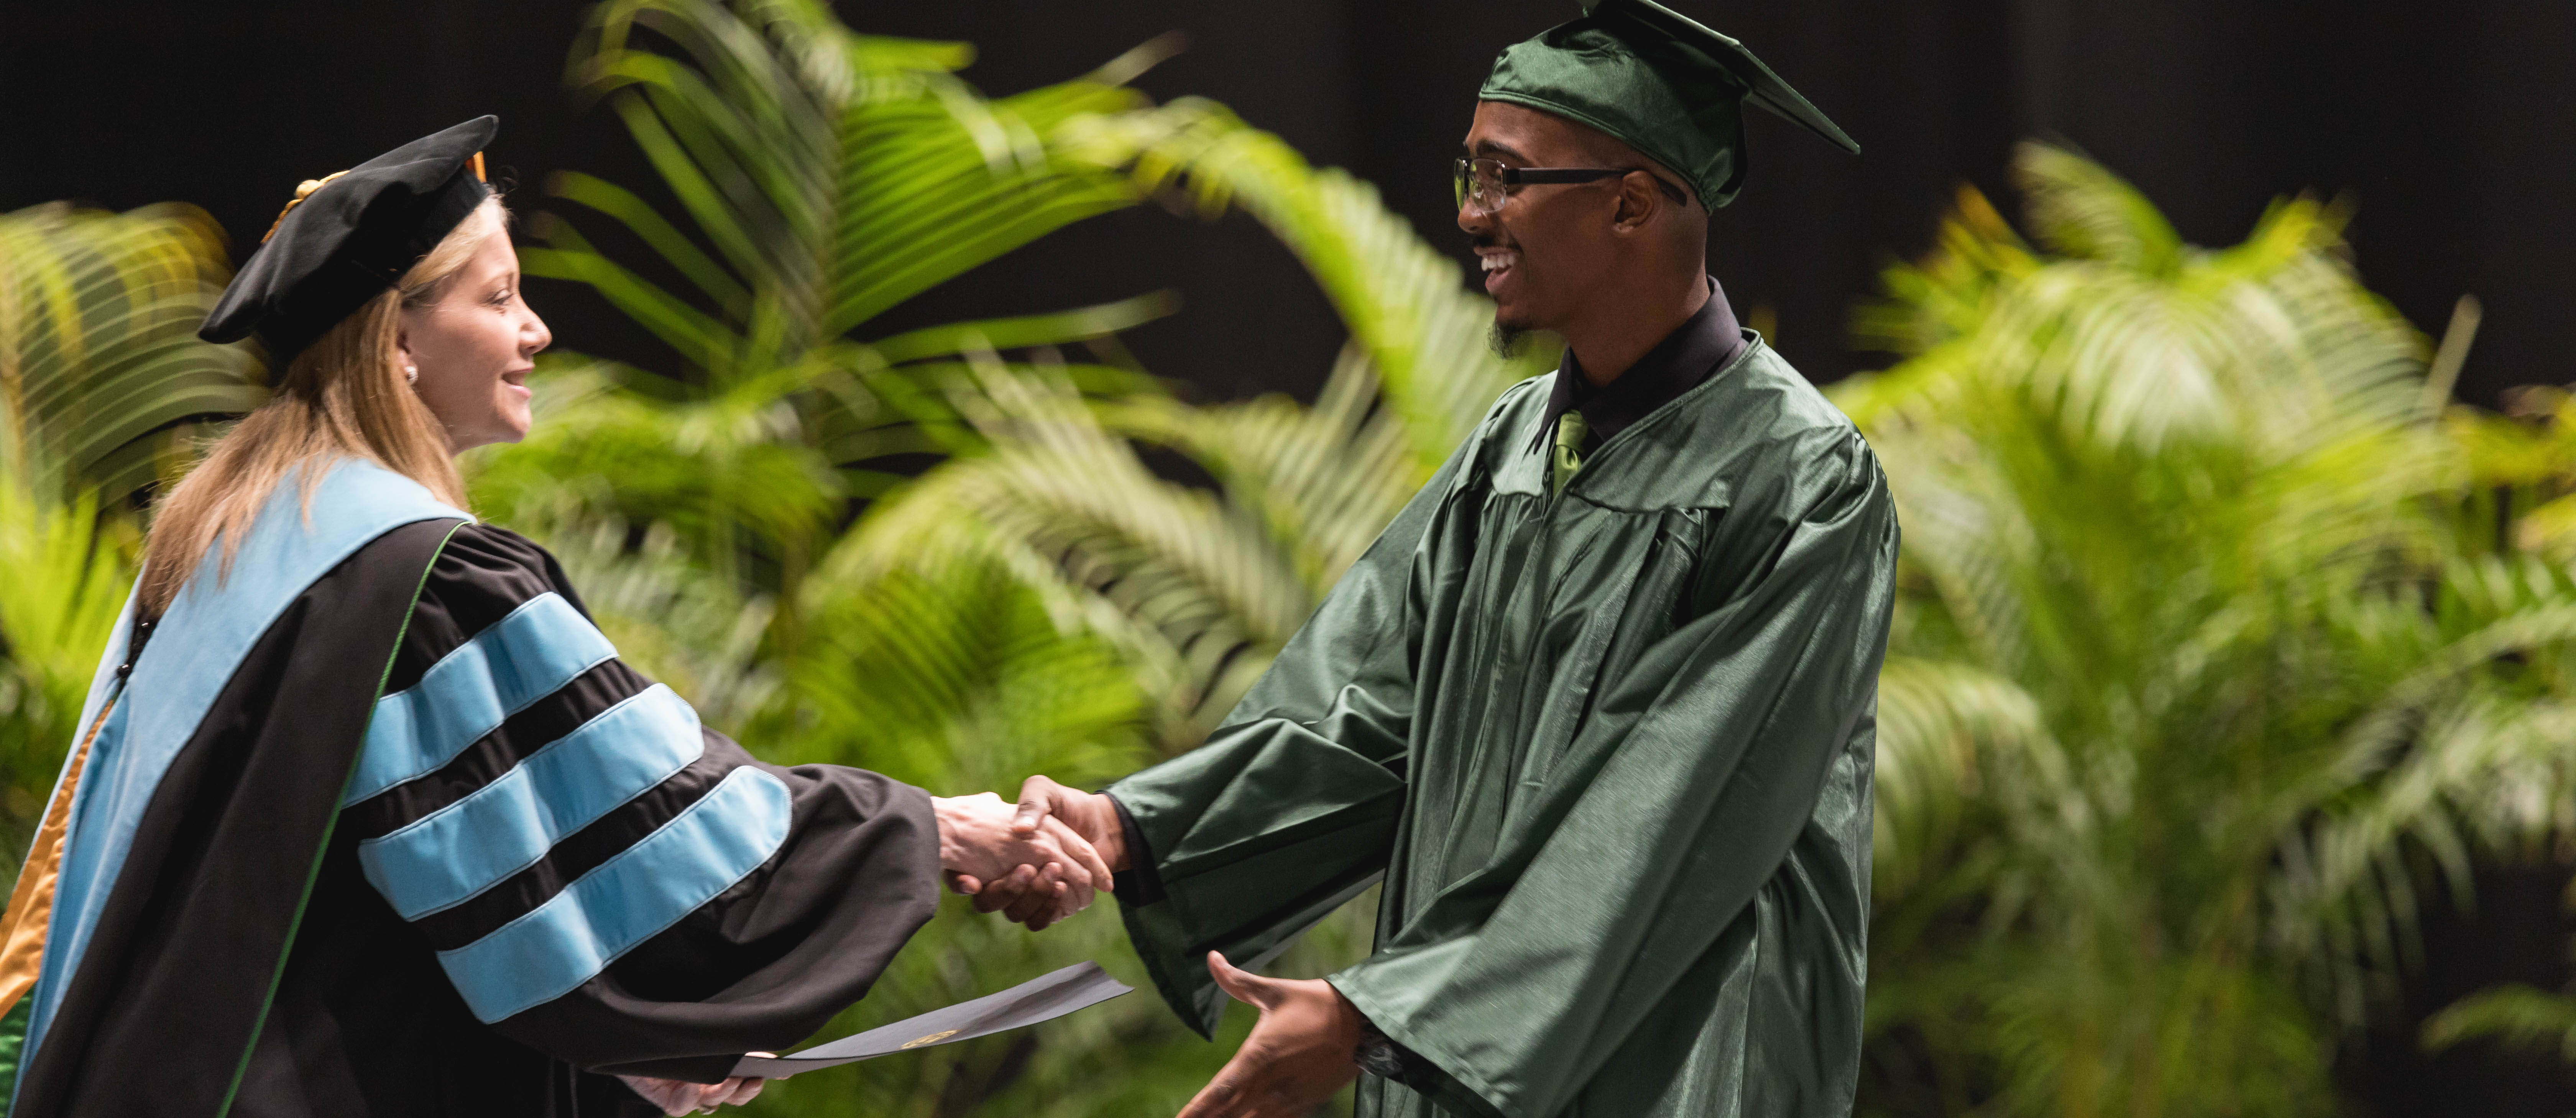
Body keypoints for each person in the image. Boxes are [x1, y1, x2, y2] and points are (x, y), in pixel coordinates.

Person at [0, 117, 1109, 1118]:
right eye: (496, 298)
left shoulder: (230, 546)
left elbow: (427, 891)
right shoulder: (424, 579)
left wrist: (620, 1056)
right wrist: (930, 829)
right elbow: (674, 859)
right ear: (396, 339)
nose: (535, 331)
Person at [992, 3, 1901, 1115]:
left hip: (1679, 1060)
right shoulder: (1510, 453)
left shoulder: (1797, 480)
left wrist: (1385, 1015)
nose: (1475, 216)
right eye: (1467, 175)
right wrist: (1132, 830)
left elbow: (1669, 810)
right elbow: (1363, 719)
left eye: (1508, 178)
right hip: (1447, 1057)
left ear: (1629, 202)